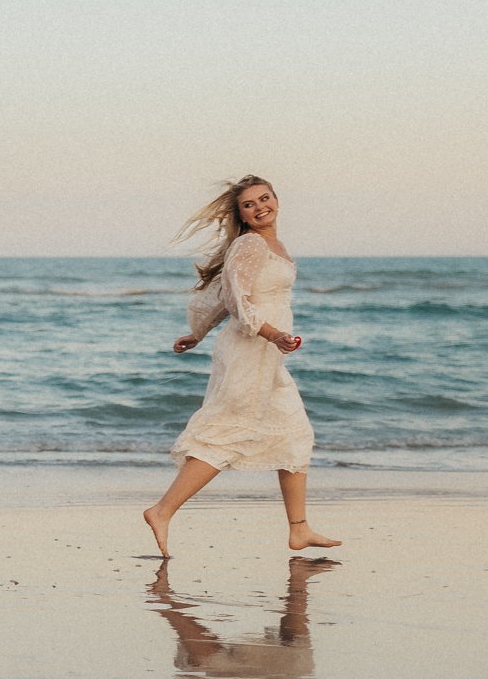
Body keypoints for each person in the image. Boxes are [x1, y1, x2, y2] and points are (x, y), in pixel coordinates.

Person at [143, 176, 342, 557]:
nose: (259, 207)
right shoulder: (250, 243)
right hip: (251, 349)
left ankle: (299, 530)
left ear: (277, 200)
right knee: (229, 432)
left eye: (264, 198)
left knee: (295, 433)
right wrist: (272, 334)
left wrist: (198, 333)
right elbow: (236, 299)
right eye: (249, 204)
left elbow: (229, 297)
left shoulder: (273, 244)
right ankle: (162, 510)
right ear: (241, 215)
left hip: (266, 351)